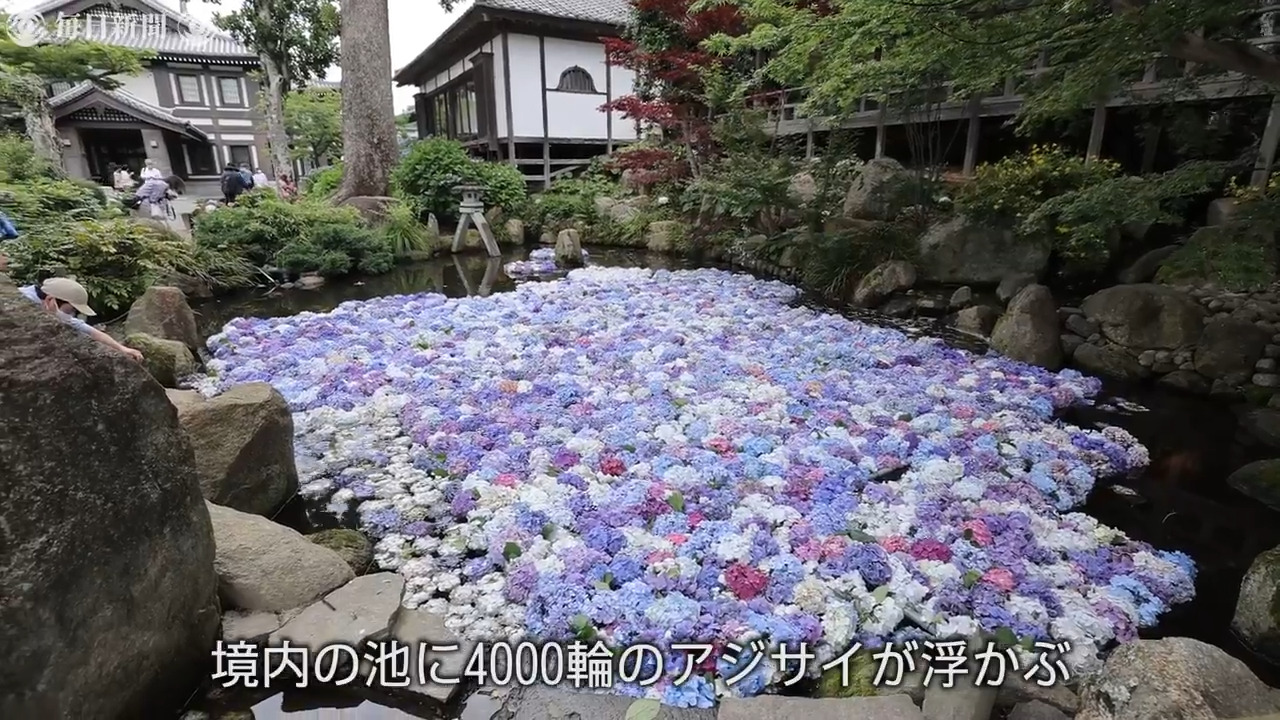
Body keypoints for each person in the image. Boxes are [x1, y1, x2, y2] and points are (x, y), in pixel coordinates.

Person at [18, 277, 144, 362]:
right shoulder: (20, 301)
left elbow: (91, 331)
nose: (73, 314)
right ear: (51, 300)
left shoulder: (53, 309)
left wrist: (122, 349)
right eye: (72, 310)